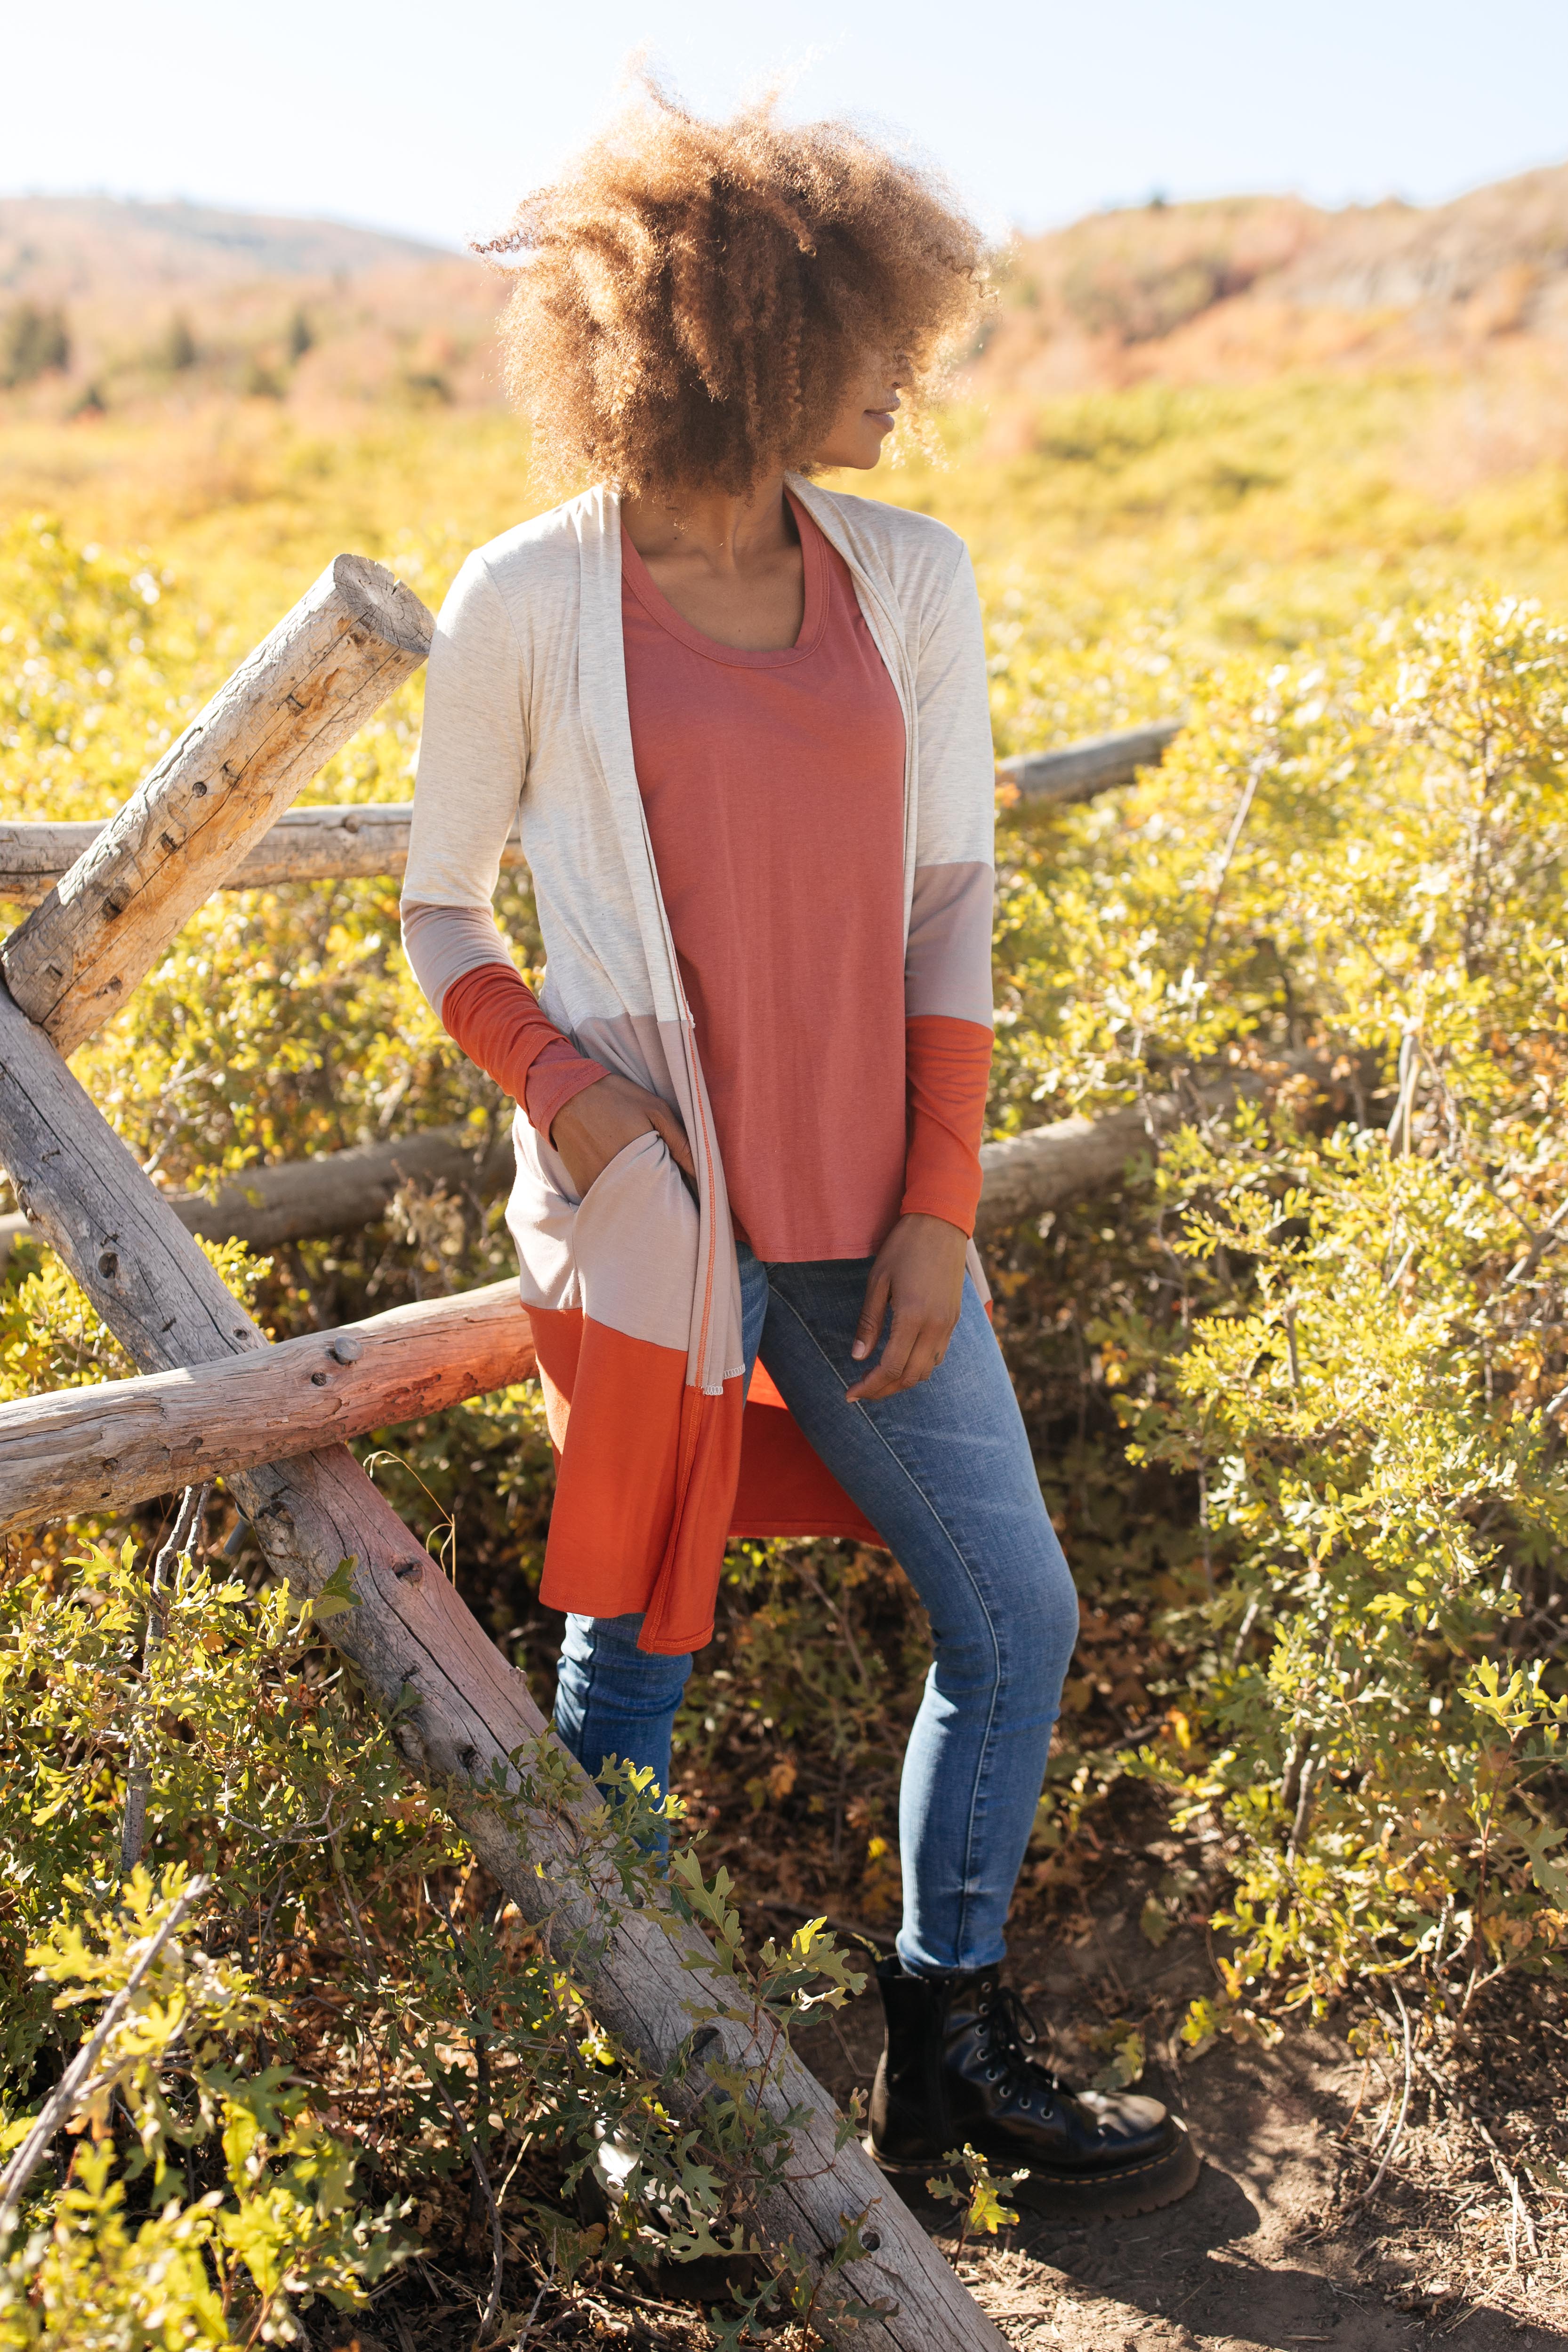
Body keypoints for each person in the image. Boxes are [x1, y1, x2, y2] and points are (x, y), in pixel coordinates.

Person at [401, 83, 1197, 2216]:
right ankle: (632, 2082)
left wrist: (939, 1196)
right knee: (635, 1647)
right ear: (743, 328)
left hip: (874, 1218)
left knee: (1009, 1608)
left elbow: (952, 904)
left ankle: (943, 2049)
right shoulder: (525, 598)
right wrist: (582, 1105)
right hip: (657, 1229)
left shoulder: (907, 579)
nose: (903, 377)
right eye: (873, 334)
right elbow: (443, 916)